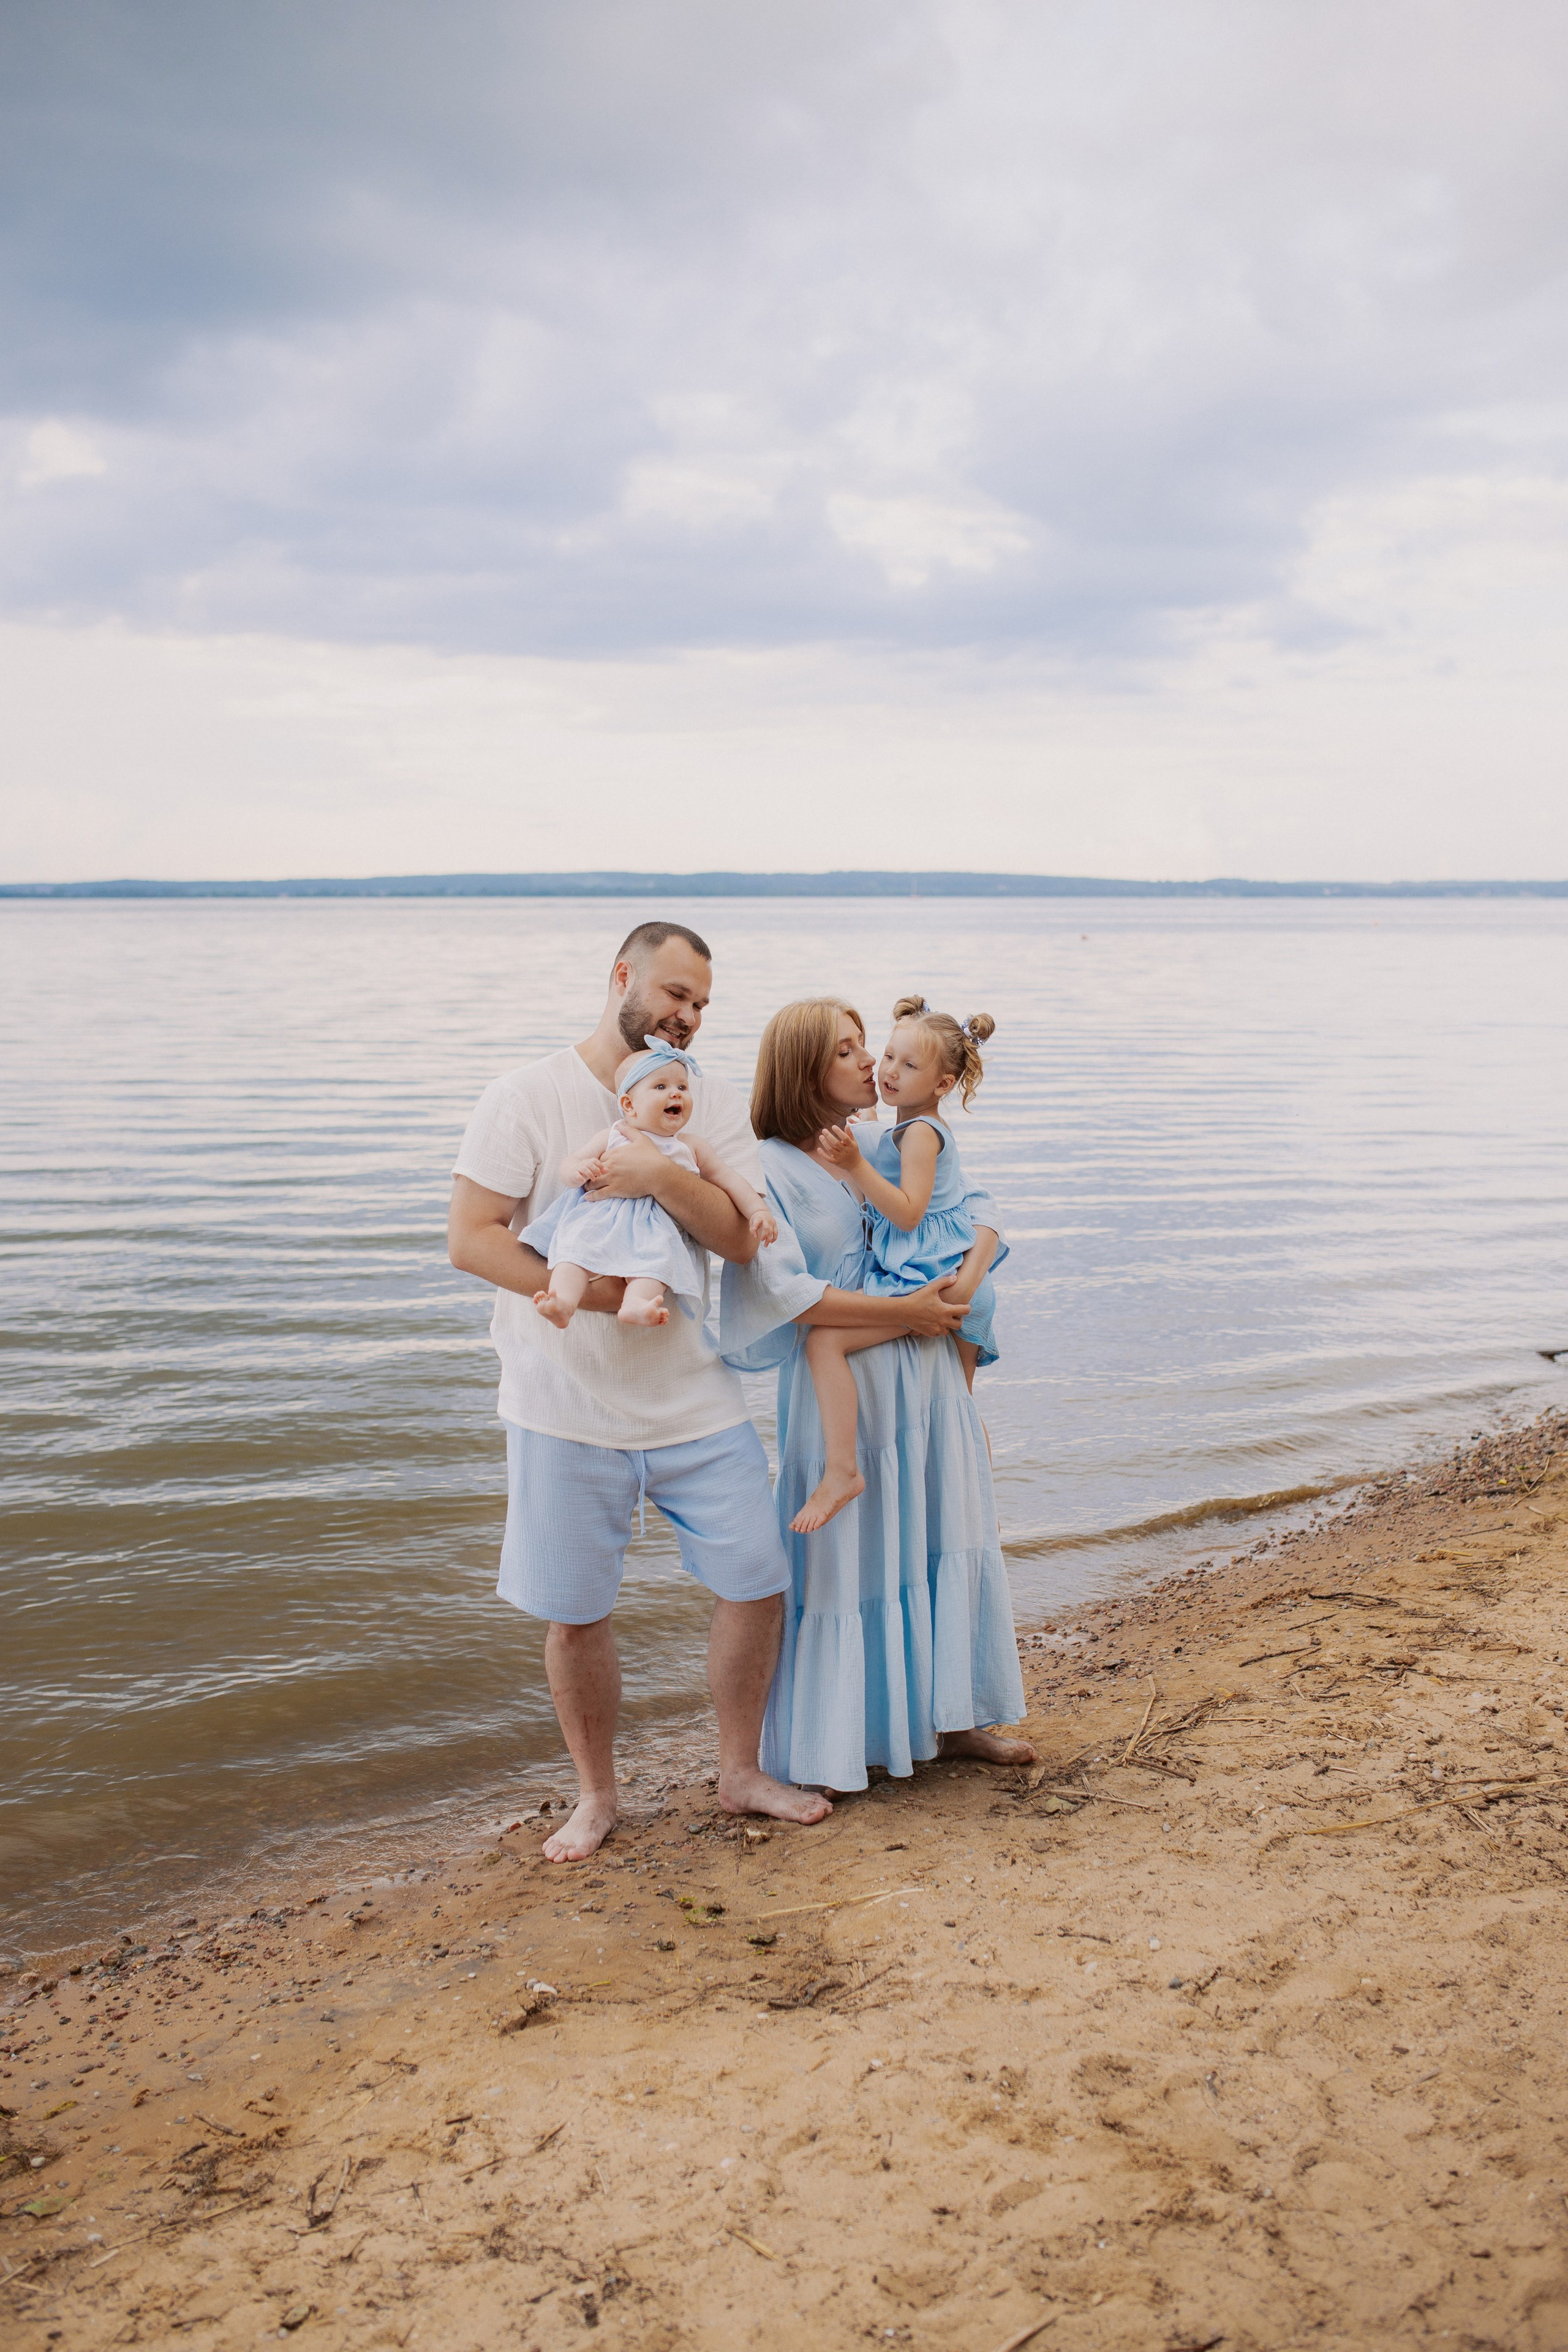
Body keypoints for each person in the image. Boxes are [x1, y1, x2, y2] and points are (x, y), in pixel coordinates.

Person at [445, 927, 963, 1861]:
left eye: (701, 1005)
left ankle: (739, 1771)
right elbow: (473, 1239)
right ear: (621, 979)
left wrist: (653, 1176)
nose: (687, 1016)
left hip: (693, 1397)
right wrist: (603, 1296)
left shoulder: (707, 1101)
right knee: (577, 1613)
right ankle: (597, 1797)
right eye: (676, 993)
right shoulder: (525, 1096)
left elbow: (737, 1239)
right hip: (561, 1401)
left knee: (759, 1580)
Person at [722, 998, 1037, 1795]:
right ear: (803, 1073)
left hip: (921, 1371)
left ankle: (957, 1719)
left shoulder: (866, 1141)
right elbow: (792, 1298)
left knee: (938, 1540)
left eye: (872, 1049)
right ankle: (835, 1747)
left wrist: (969, 1275)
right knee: (844, 1571)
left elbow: (973, 1205)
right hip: (847, 1388)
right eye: (848, 1052)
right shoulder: (770, 1166)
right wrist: (911, 1312)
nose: (870, 1065)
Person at [791, 995, 999, 1532]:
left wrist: (856, 1164)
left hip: (938, 1277)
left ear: (943, 1086)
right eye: (887, 1056)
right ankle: (982, 1511)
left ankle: (842, 1471)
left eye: (909, 1066)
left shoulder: (922, 1135)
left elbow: (907, 1215)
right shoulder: (907, 1129)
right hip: (946, 1272)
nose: (887, 1071)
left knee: (825, 1341)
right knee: (960, 1410)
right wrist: (865, 1131)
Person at [521, 1038, 776, 1330]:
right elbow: (570, 1163)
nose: (676, 1095)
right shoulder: (616, 1134)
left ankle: (636, 1305)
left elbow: (730, 1180)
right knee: (574, 1252)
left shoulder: (691, 1147)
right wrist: (578, 1171)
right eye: (661, 1087)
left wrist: (759, 1211)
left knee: (656, 1264)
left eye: (682, 1087)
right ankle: (563, 1302)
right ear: (629, 1105)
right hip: (600, 1217)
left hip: (655, 1227)